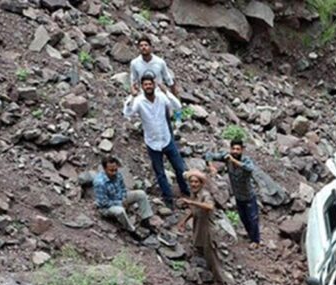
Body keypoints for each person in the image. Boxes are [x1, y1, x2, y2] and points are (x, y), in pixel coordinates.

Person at [123, 72, 190, 209]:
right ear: (142, 86)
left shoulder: (161, 97)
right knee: (160, 173)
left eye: (150, 84)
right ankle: (168, 199)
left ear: (154, 84)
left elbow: (178, 107)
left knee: (180, 168)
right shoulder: (139, 101)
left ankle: (186, 192)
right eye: (145, 84)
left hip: (166, 139)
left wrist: (167, 93)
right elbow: (127, 114)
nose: (148, 86)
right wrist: (132, 96)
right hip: (153, 143)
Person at [204, 139, 261, 248]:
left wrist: (233, 161)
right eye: (233, 149)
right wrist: (211, 166)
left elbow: (250, 168)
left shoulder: (246, 160)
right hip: (238, 196)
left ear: (242, 150)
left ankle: (256, 241)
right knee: (244, 218)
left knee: (253, 218)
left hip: (249, 196)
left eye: (238, 149)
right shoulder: (227, 157)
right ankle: (250, 236)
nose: (235, 151)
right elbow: (208, 155)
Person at [178, 169, 229, 284]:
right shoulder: (195, 194)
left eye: (196, 182)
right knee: (200, 249)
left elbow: (209, 206)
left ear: (201, 183)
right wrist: (184, 221)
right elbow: (195, 211)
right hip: (199, 227)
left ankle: (220, 281)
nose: (193, 184)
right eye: (191, 182)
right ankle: (207, 275)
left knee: (212, 256)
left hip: (207, 229)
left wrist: (191, 203)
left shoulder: (205, 195)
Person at [93, 155, 155, 239]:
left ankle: (145, 220)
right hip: (107, 207)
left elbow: (123, 188)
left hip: (119, 199)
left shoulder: (117, 175)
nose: (114, 172)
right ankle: (131, 230)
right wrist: (119, 203)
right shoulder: (100, 183)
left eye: (115, 169)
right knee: (120, 211)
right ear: (104, 169)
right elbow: (103, 202)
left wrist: (124, 198)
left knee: (141, 194)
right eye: (111, 170)